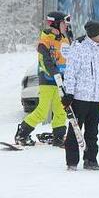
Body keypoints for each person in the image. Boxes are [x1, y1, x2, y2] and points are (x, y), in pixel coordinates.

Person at [15, 11, 71, 147]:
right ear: (56, 24)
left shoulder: (66, 38)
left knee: (60, 110)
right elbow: (45, 61)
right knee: (43, 110)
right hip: (48, 80)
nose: (66, 25)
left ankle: (58, 137)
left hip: (61, 81)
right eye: (64, 23)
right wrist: (55, 74)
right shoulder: (45, 40)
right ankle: (22, 133)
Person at [62, 20, 99, 171]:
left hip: (95, 98)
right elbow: (70, 72)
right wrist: (69, 92)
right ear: (94, 34)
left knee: (92, 132)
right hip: (80, 97)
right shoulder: (79, 48)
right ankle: (72, 162)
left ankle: (90, 160)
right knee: (75, 130)